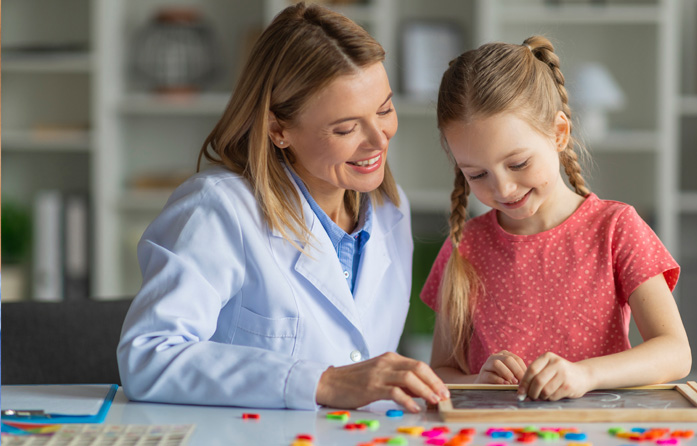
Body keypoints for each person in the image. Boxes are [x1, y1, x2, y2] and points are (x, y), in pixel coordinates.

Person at [117, 2, 449, 412]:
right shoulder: (218, 209)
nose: (379, 140)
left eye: (384, 109)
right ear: (278, 129)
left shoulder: (390, 210)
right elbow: (147, 357)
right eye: (345, 128)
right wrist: (321, 383)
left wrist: (468, 383)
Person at [421, 36, 691, 401]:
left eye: (518, 164)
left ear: (559, 133)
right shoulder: (465, 246)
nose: (503, 189)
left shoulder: (616, 228)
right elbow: (440, 373)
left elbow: (675, 352)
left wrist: (585, 374)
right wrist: (478, 381)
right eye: (477, 174)